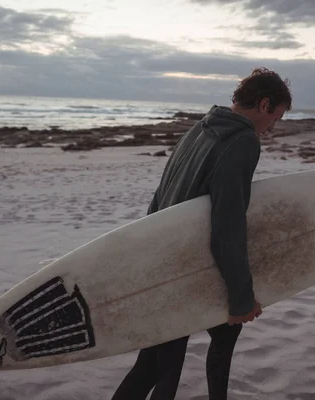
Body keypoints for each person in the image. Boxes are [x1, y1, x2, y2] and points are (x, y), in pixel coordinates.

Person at [111, 67, 292, 400]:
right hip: (187, 268)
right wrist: (241, 298)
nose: (272, 127)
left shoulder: (200, 128)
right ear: (264, 104)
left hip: (163, 255)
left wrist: (142, 250)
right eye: (276, 118)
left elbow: (160, 195)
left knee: (214, 342)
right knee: (161, 367)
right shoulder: (242, 141)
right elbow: (228, 224)